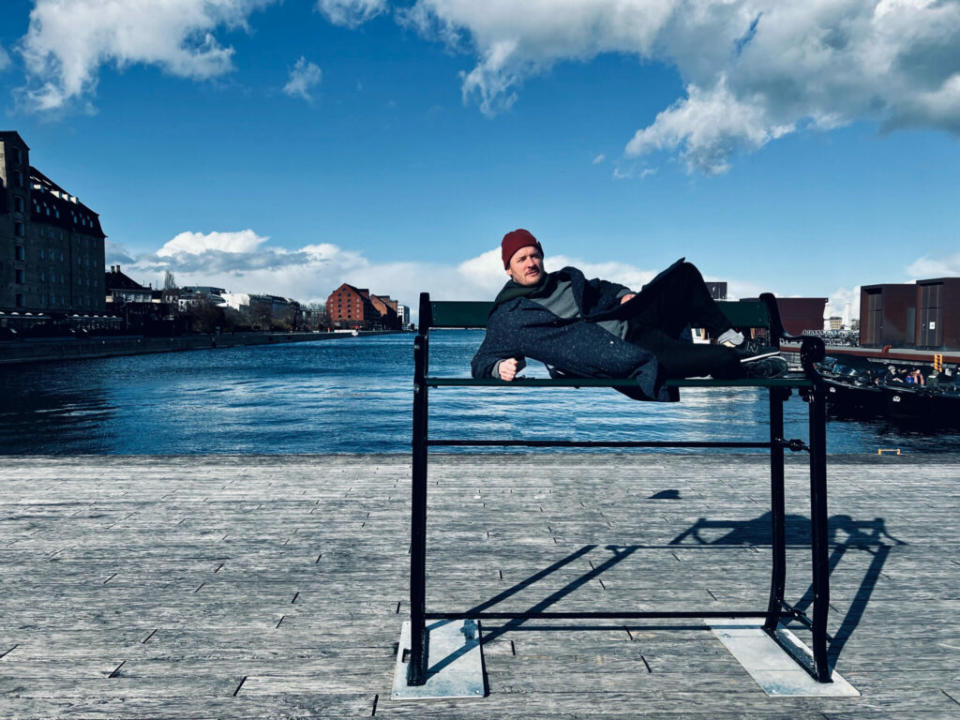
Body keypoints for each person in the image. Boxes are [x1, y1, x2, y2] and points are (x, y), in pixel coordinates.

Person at [471, 229, 787, 401]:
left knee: (684, 273)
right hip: (629, 354)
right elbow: (481, 362)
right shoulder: (510, 315)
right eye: (521, 259)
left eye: (534, 255)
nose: (531, 263)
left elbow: (603, 287)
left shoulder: (567, 279)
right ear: (508, 268)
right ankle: (743, 367)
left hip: (637, 320)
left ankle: (733, 340)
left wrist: (623, 294)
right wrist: (500, 368)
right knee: (716, 361)